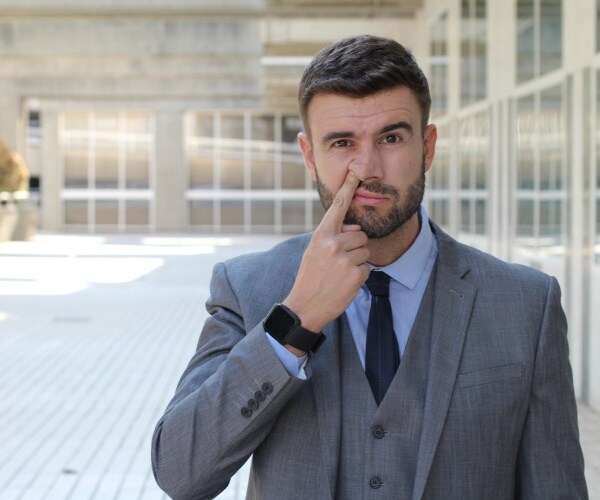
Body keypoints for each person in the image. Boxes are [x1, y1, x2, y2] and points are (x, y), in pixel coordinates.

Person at [151, 35, 588, 499]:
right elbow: (180, 472)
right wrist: (297, 320)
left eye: (392, 137)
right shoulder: (247, 287)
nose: (368, 167)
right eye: (342, 142)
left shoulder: (526, 305)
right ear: (309, 157)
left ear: (428, 146)